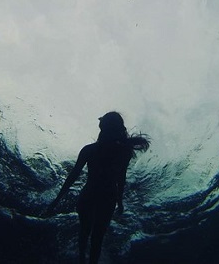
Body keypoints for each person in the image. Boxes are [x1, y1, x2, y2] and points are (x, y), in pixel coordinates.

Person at [47, 111, 150, 264]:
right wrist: (120, 201)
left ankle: (82, 258)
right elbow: (120, 179)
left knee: (87, 233)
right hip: (106, 198)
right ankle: (85, 259)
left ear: (102, 127)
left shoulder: (91, 150)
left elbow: (73, 176)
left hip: (94, 195)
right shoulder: (123, 152)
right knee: (95, 237)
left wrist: (56, 200)